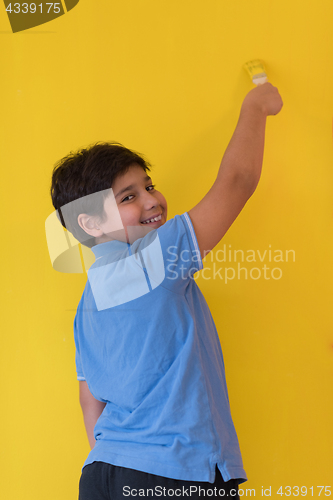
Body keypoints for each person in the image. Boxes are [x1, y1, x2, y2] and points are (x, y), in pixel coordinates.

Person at [50, 82, 283, 500]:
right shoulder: (158, 256)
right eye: (129, 196)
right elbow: (238, 181)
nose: (153, 199)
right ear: (91, 224)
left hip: (103, 472)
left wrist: (121, 469)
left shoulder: (88, 304)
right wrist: (256, 105)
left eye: (149, 185)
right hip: (172, 472)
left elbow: (90, 400)